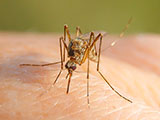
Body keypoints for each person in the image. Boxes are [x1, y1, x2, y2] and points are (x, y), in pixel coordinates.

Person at [0, 33, 160, 119]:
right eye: (69, 67)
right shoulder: (70, 57)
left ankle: (95, 74)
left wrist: (91, 80)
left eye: (70, 67)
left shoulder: (80, 57)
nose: (70, 70)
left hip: (86, 52)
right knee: (64, 36)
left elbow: (92, 38)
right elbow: (64, 41)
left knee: (87, 37)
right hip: (76, 48)